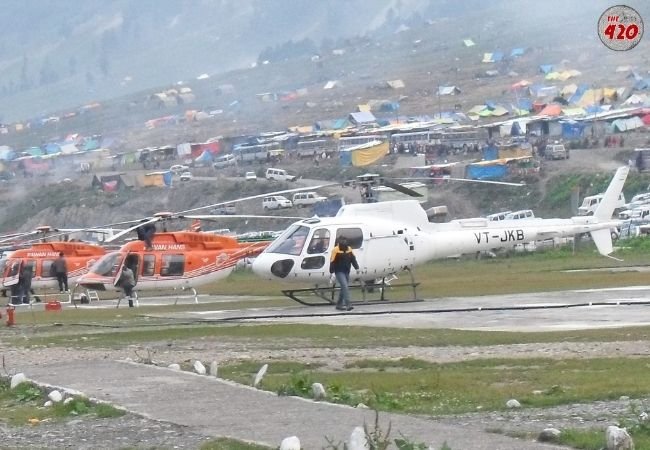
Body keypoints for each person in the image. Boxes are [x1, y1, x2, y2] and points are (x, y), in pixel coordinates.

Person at [329, 237, 359, 311]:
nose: (344, 242)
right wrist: (332, 272)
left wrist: (357, 268)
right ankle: (348, 304)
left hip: (346, 271)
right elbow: (332, 261)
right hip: (339, 271)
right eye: (342, 241)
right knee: (345, 286)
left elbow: (353, 259)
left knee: (343, 288)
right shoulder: (335, 250)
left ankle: (339, 305)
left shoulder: (349, 249)